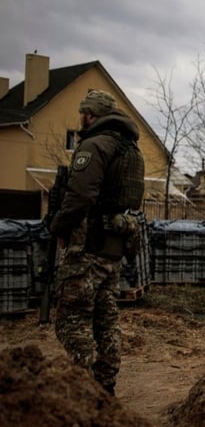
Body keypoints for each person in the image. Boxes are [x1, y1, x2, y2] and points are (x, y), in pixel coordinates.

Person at [49, 89, 145, 396]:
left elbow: (80, 196)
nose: (80, 118)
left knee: (72, 320)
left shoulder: (95, 145)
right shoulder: (129, 149)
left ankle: (86, 386)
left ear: (91, 114)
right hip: (112, 247)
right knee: (106, 319)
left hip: (87, 246)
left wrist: (58, 226)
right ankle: (105, 384)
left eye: (82, 112)